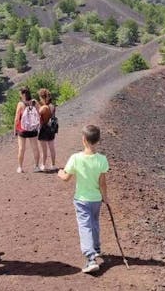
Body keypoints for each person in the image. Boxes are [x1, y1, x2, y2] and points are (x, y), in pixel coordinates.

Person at [57, 125, 110, 274]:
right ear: (98, 140)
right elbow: (102, 183)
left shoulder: (75, 158)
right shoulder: (102, 160)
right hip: (96, 199)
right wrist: (105, 198)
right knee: (94, 223)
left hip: (81, 199)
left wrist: (60, 173)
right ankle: (96, 248)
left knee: (85, 226)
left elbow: (66, 178)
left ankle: (90, 258)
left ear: (84, 140)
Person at [13, 86, 41, 173]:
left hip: (22, 129)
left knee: (21, 148)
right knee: (35, 148)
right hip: (33, 128)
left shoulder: (20, 104)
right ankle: (36, 166)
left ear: (22, 94)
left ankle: (20, 167)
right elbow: (40, 112)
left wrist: (15, 130)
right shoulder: (34, 102)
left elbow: (17, 119)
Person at [37, 88, 57, 171]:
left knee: (44, 150)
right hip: (51, 128)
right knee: (52, 148)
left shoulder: (43, 108)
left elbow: (37, 116)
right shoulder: (52, 106)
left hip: (43, 129)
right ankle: (53, 165)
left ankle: (43, 165)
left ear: (42, 97)